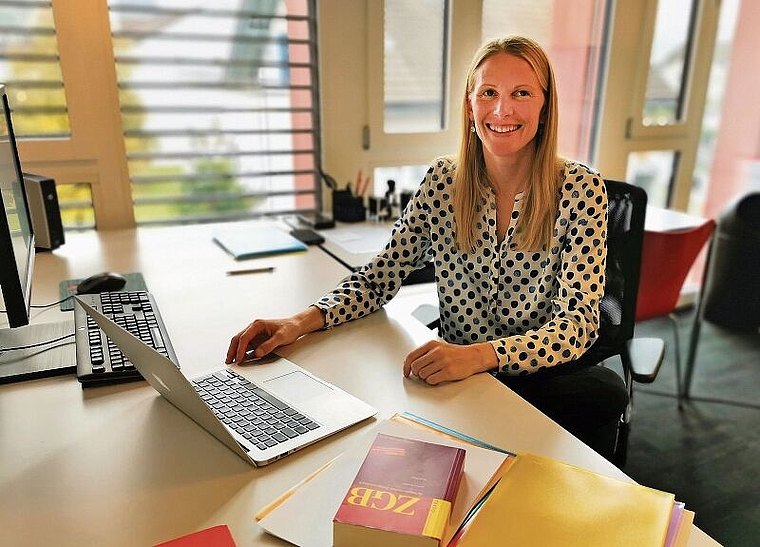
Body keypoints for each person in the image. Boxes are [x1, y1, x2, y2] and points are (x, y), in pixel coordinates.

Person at [227, 36, 628, 457]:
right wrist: (298, 322)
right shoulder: (443, 181)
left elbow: (578, 324)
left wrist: (482, 355)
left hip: (539, 380)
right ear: (470, 107)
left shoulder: (579, 189)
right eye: (488, 93)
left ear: (545, 108)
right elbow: (378, 279)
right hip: (456, 385)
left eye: (521, 93)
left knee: (601, 392)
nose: (502, 110)